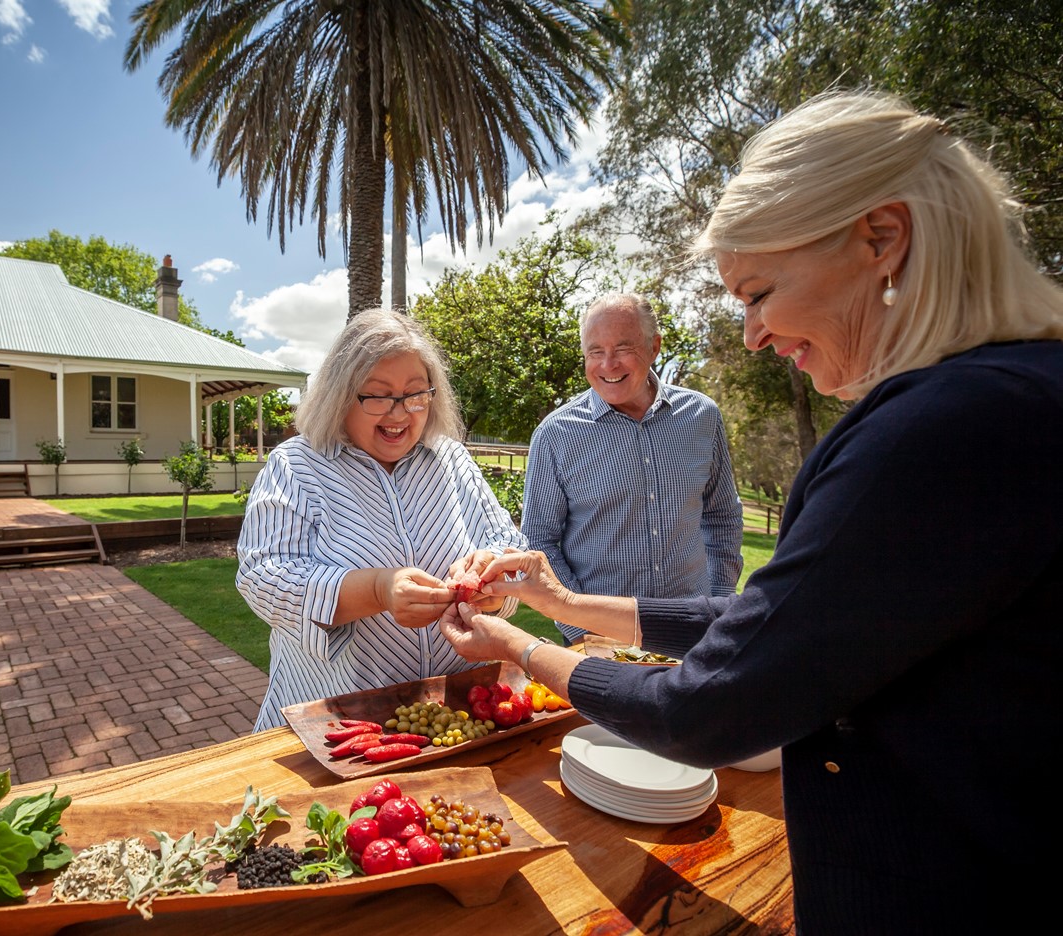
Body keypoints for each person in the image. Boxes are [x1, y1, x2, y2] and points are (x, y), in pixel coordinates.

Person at [440, 91, 1063, 932]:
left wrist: (515, 645)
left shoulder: (940, 430)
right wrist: (559, 606)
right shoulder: (1023, 395)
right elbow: (793, 622)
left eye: (759, 290)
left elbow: (707, 709)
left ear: (882, 238)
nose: (751, 335)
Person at [238, 308, 525, 731]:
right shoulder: (298, 465)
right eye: (377, 396)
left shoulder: (451, 459)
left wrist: (492, 587)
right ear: (340, 394)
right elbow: (263, 577)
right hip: (338, 722)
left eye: (415, 395)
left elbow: (506, 546)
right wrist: (376, 589)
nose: (399, 413)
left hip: (455, 714)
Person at [522, 292, 743, 646]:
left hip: (693, 637)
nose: (608, 365)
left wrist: (716, 605)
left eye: (623, 348)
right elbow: (539, 541)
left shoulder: (702, 416)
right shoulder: (555, 435)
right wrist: (584, 631)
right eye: (595, 351)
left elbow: (722, 516)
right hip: (601, 642)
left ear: (654, 347)